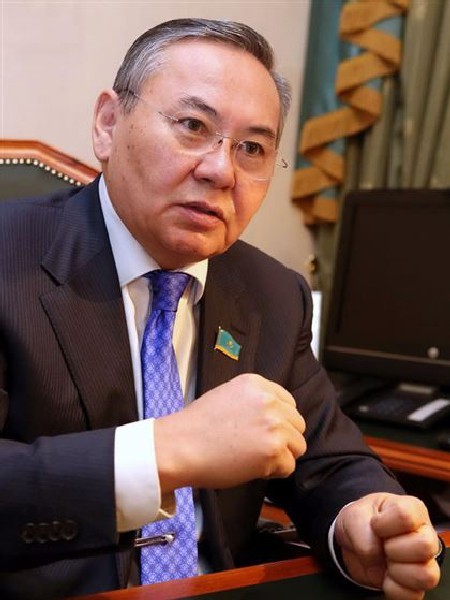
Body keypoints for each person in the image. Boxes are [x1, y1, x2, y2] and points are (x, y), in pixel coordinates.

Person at [0, 17, 443, 600]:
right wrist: (165, 451)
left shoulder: (271, 293)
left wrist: (359, 520)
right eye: (192, 126)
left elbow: (327, 460)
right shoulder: (9, 258)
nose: (220, 171)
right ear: (109, 123)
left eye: (252, 148)